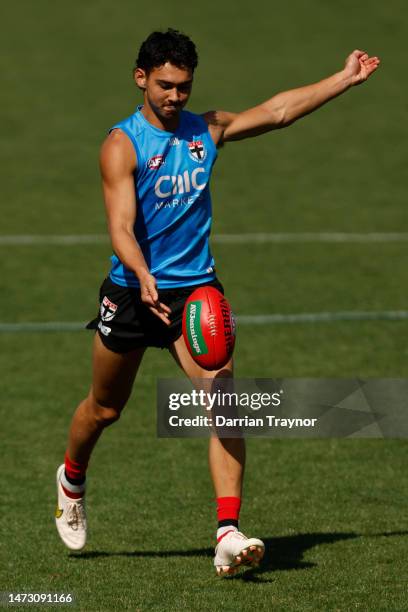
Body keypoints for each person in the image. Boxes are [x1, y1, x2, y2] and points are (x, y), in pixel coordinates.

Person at [55, 29, 380, 576]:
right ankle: (71, 477)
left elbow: (277, 111)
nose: (174, 97)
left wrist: (343, 80)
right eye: (164, 85)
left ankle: (227, 532)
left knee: (225, 400)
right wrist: (140, 274)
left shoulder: (206, 130)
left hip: (196, 292)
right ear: (141, 79)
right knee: (104, 409)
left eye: (183, 87)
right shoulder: (122, 144)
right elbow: (121, 226)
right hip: (135, 293)